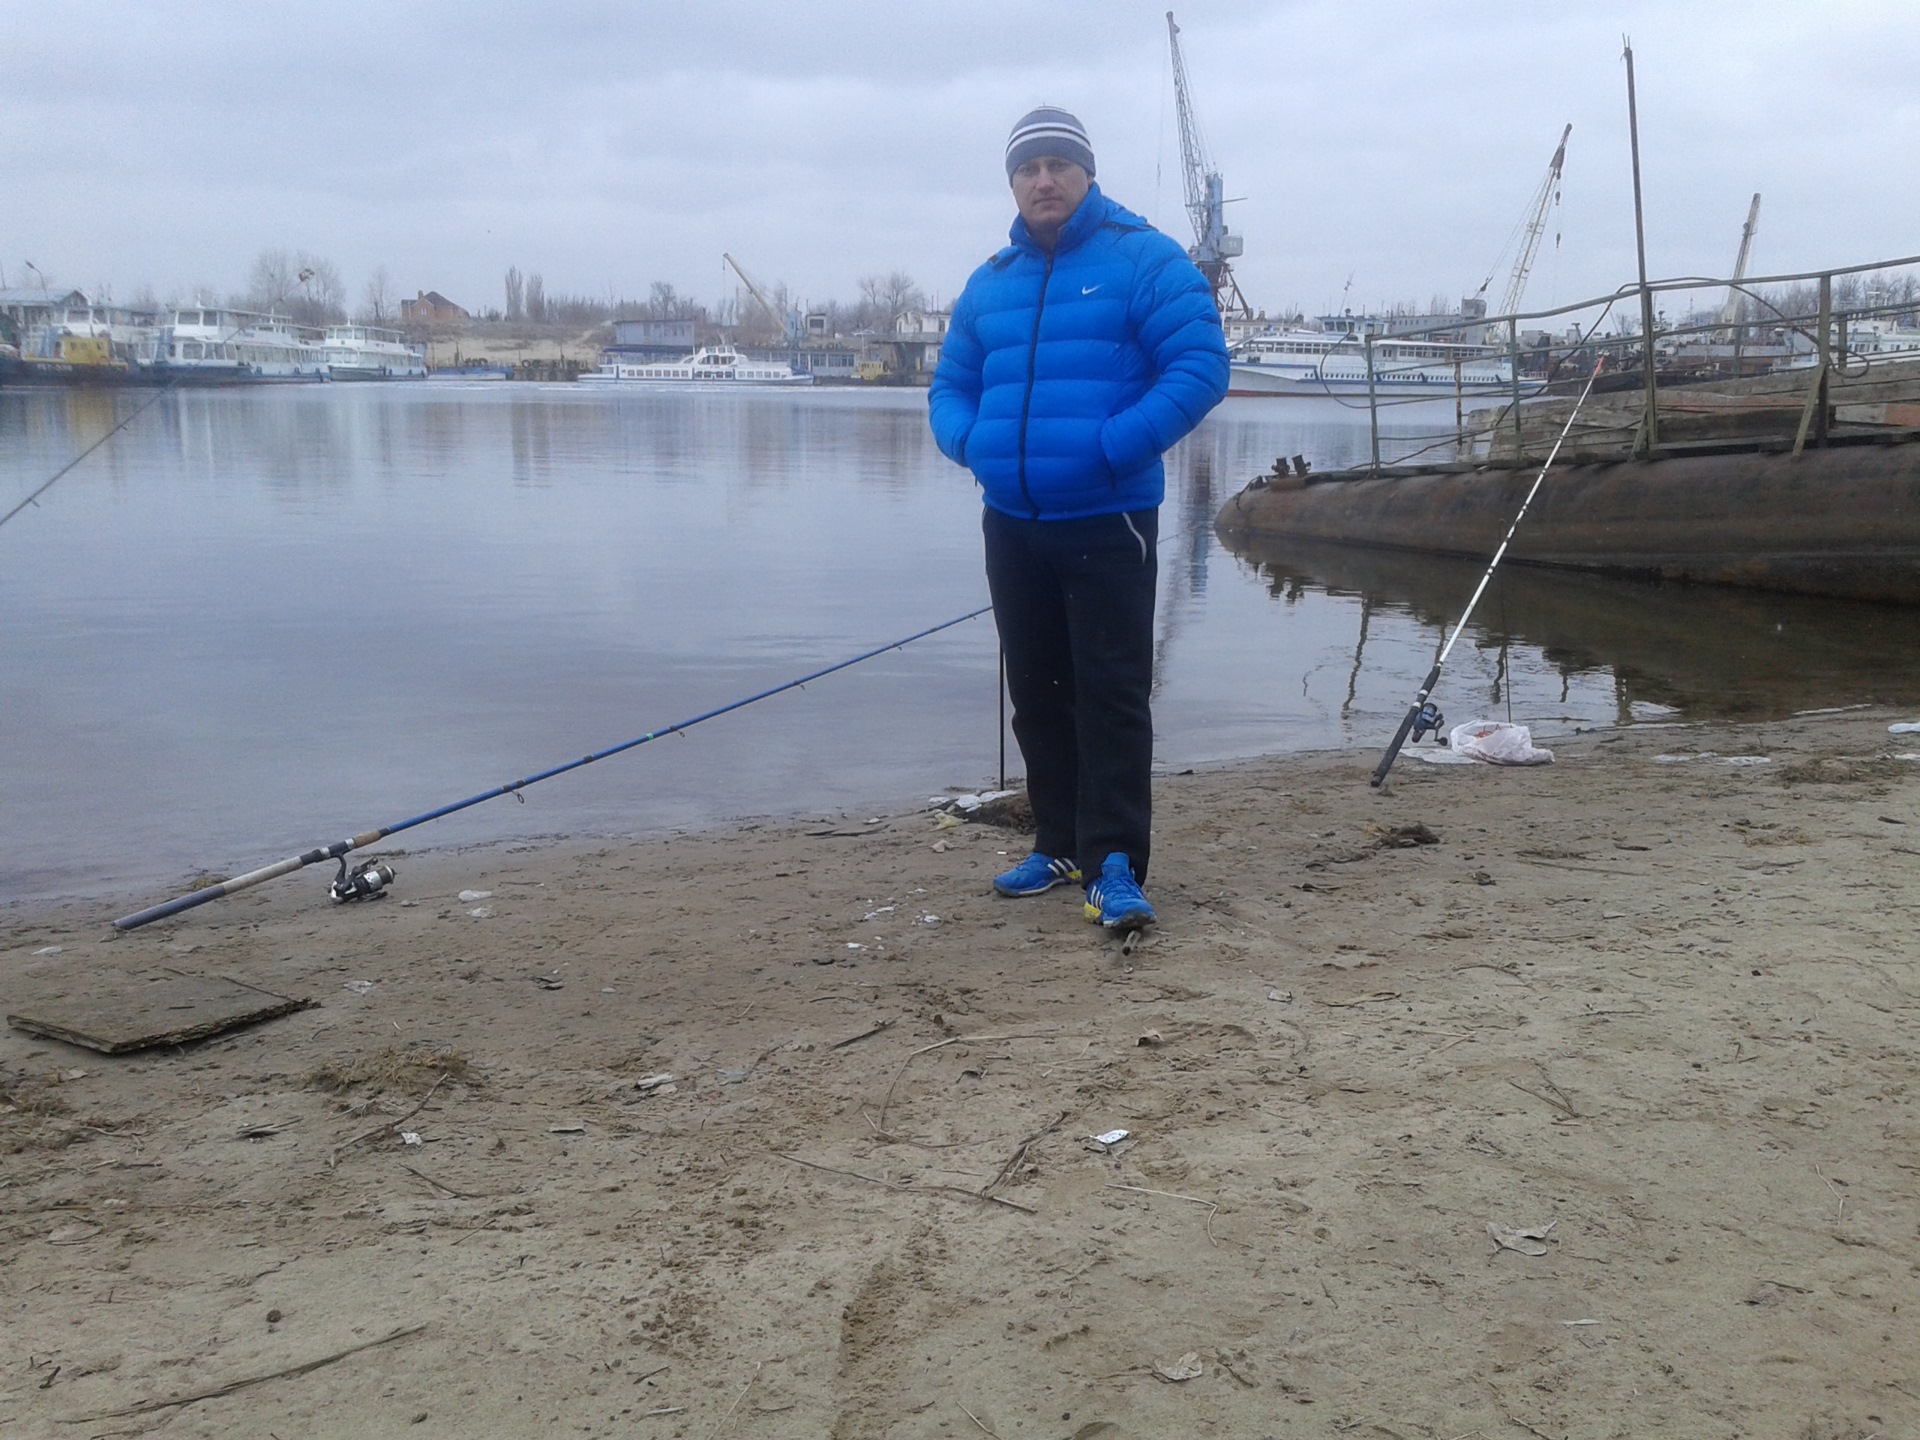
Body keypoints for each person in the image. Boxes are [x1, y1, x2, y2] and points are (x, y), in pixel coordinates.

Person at [928, 106, 1229, 931]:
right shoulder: (991, 280)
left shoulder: (1144, 259)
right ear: (1013, 182)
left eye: (1060, 163)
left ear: (1087, 172)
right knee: (1037, 691)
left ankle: (1117, 860)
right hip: (1013, 521)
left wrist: (1114, 447)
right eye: (1029, 167)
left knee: (1111, 694)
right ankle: (1058, 843)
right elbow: (950, 385)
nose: (1044, 179)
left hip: (1109, 517)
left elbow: (1201, 365)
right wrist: (972, 445)